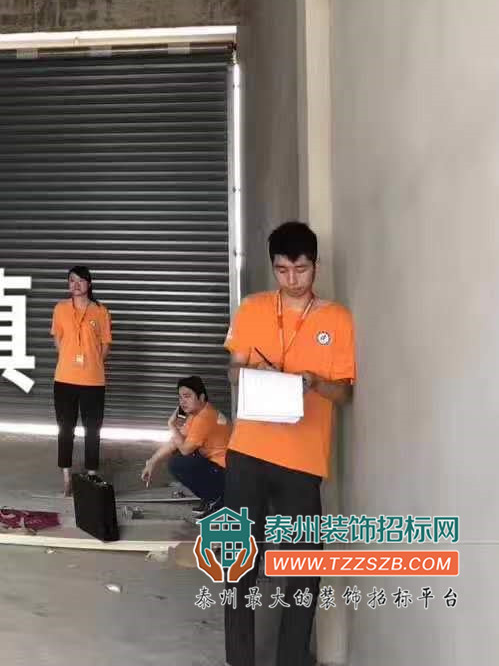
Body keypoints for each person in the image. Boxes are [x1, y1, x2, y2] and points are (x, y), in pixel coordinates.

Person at [223, 222, 355, 666]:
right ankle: (239, 658)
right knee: (239, 562)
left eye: (301, 269)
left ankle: (292, 658)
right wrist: (253, 374)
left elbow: (344, 392)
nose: (292, 279)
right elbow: (233, 371)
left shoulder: (337, 319)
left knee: (304, 568)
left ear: (316, 265)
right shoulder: (253, 308)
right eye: (282, 270)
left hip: (302, 461)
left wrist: (314, 382)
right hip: (248, 452)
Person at [50, 265, 112, 495]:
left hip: (93, 381)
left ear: (89, 283)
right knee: (65, 429)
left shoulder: (100, 311)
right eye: (71, 281)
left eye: (80, 280)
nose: (76, 285)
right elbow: (58, 340)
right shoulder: (60, 309)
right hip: (64, 379)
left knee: (92, 429)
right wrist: (70, 359)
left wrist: (91, 362)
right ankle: (66, 475)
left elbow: (105, 345)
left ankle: (91, 473)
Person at [140, 375, 230, 515]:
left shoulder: (205, 417)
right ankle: (211, 497)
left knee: (179, 462)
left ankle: (218, 499)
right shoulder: (197, 415)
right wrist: (152, 461)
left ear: (201, 397)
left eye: (187, 396)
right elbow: (174, 442)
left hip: (227, 473)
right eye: (180, 397)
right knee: (178, 455)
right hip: (218, 469)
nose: (182, 402)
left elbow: (185, 450)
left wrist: (171, 425)